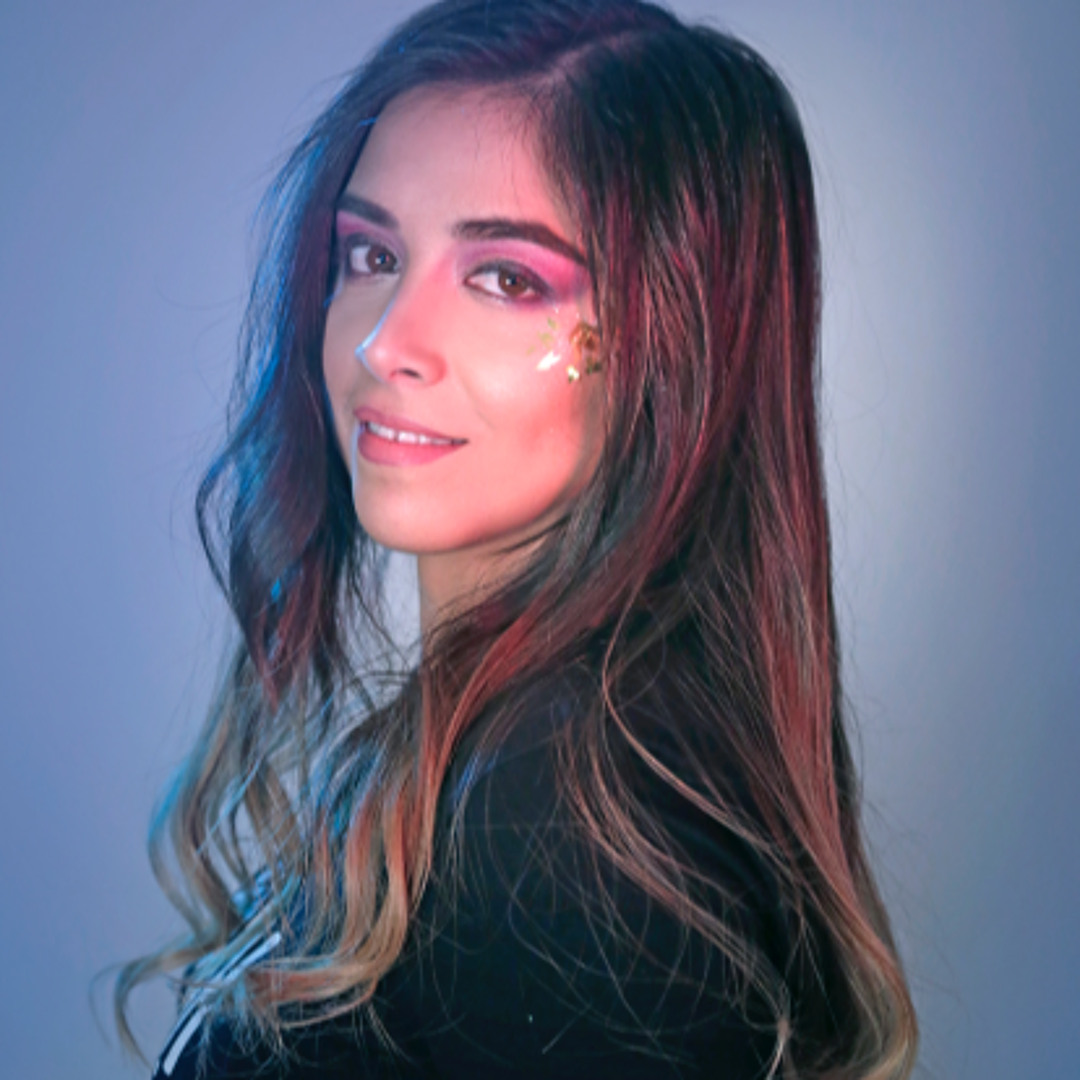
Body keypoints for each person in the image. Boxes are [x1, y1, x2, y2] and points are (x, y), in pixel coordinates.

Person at [116, 1, 918, 1076]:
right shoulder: (526, 762)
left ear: (674, 343)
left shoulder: (564, 833)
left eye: (506, 278)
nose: (387, 342)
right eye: (371, 253)